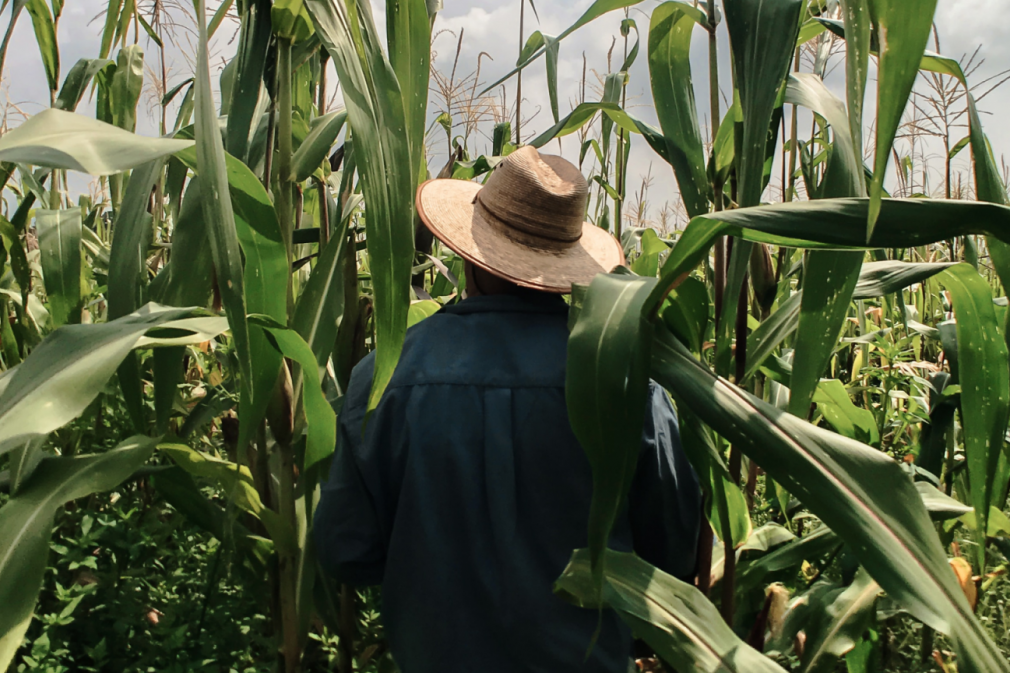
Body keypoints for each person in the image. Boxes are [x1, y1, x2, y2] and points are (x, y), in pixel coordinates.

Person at [313, 146, 701, 673]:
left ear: (470, 252)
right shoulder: (626, 383)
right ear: (567, 262)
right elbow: (672, 555)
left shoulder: (384, 378)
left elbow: (346, 551)